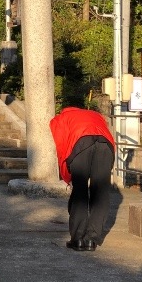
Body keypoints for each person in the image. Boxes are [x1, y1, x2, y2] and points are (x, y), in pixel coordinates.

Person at [49, 107, 116, 252]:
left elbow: (61, 146)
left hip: (80, 144)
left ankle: (78, 239)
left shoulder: (60, 118)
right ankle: (92, 240)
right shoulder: (95, 115)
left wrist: (66, 175)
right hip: (106, 145)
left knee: (80, 191)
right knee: (100, 192)